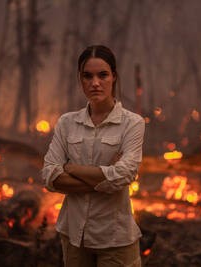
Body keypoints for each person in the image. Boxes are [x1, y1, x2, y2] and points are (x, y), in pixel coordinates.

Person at [41, 45, 145, 267]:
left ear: (114, 77)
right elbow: (50, 175)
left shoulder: (132, 123)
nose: (95, 83)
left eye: (103, 75)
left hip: (115, 239)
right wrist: (105, 180)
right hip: (74, 235)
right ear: (80, 79)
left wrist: (71, 168)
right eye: (87, 76)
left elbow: (124, 175)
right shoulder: (67, 123)